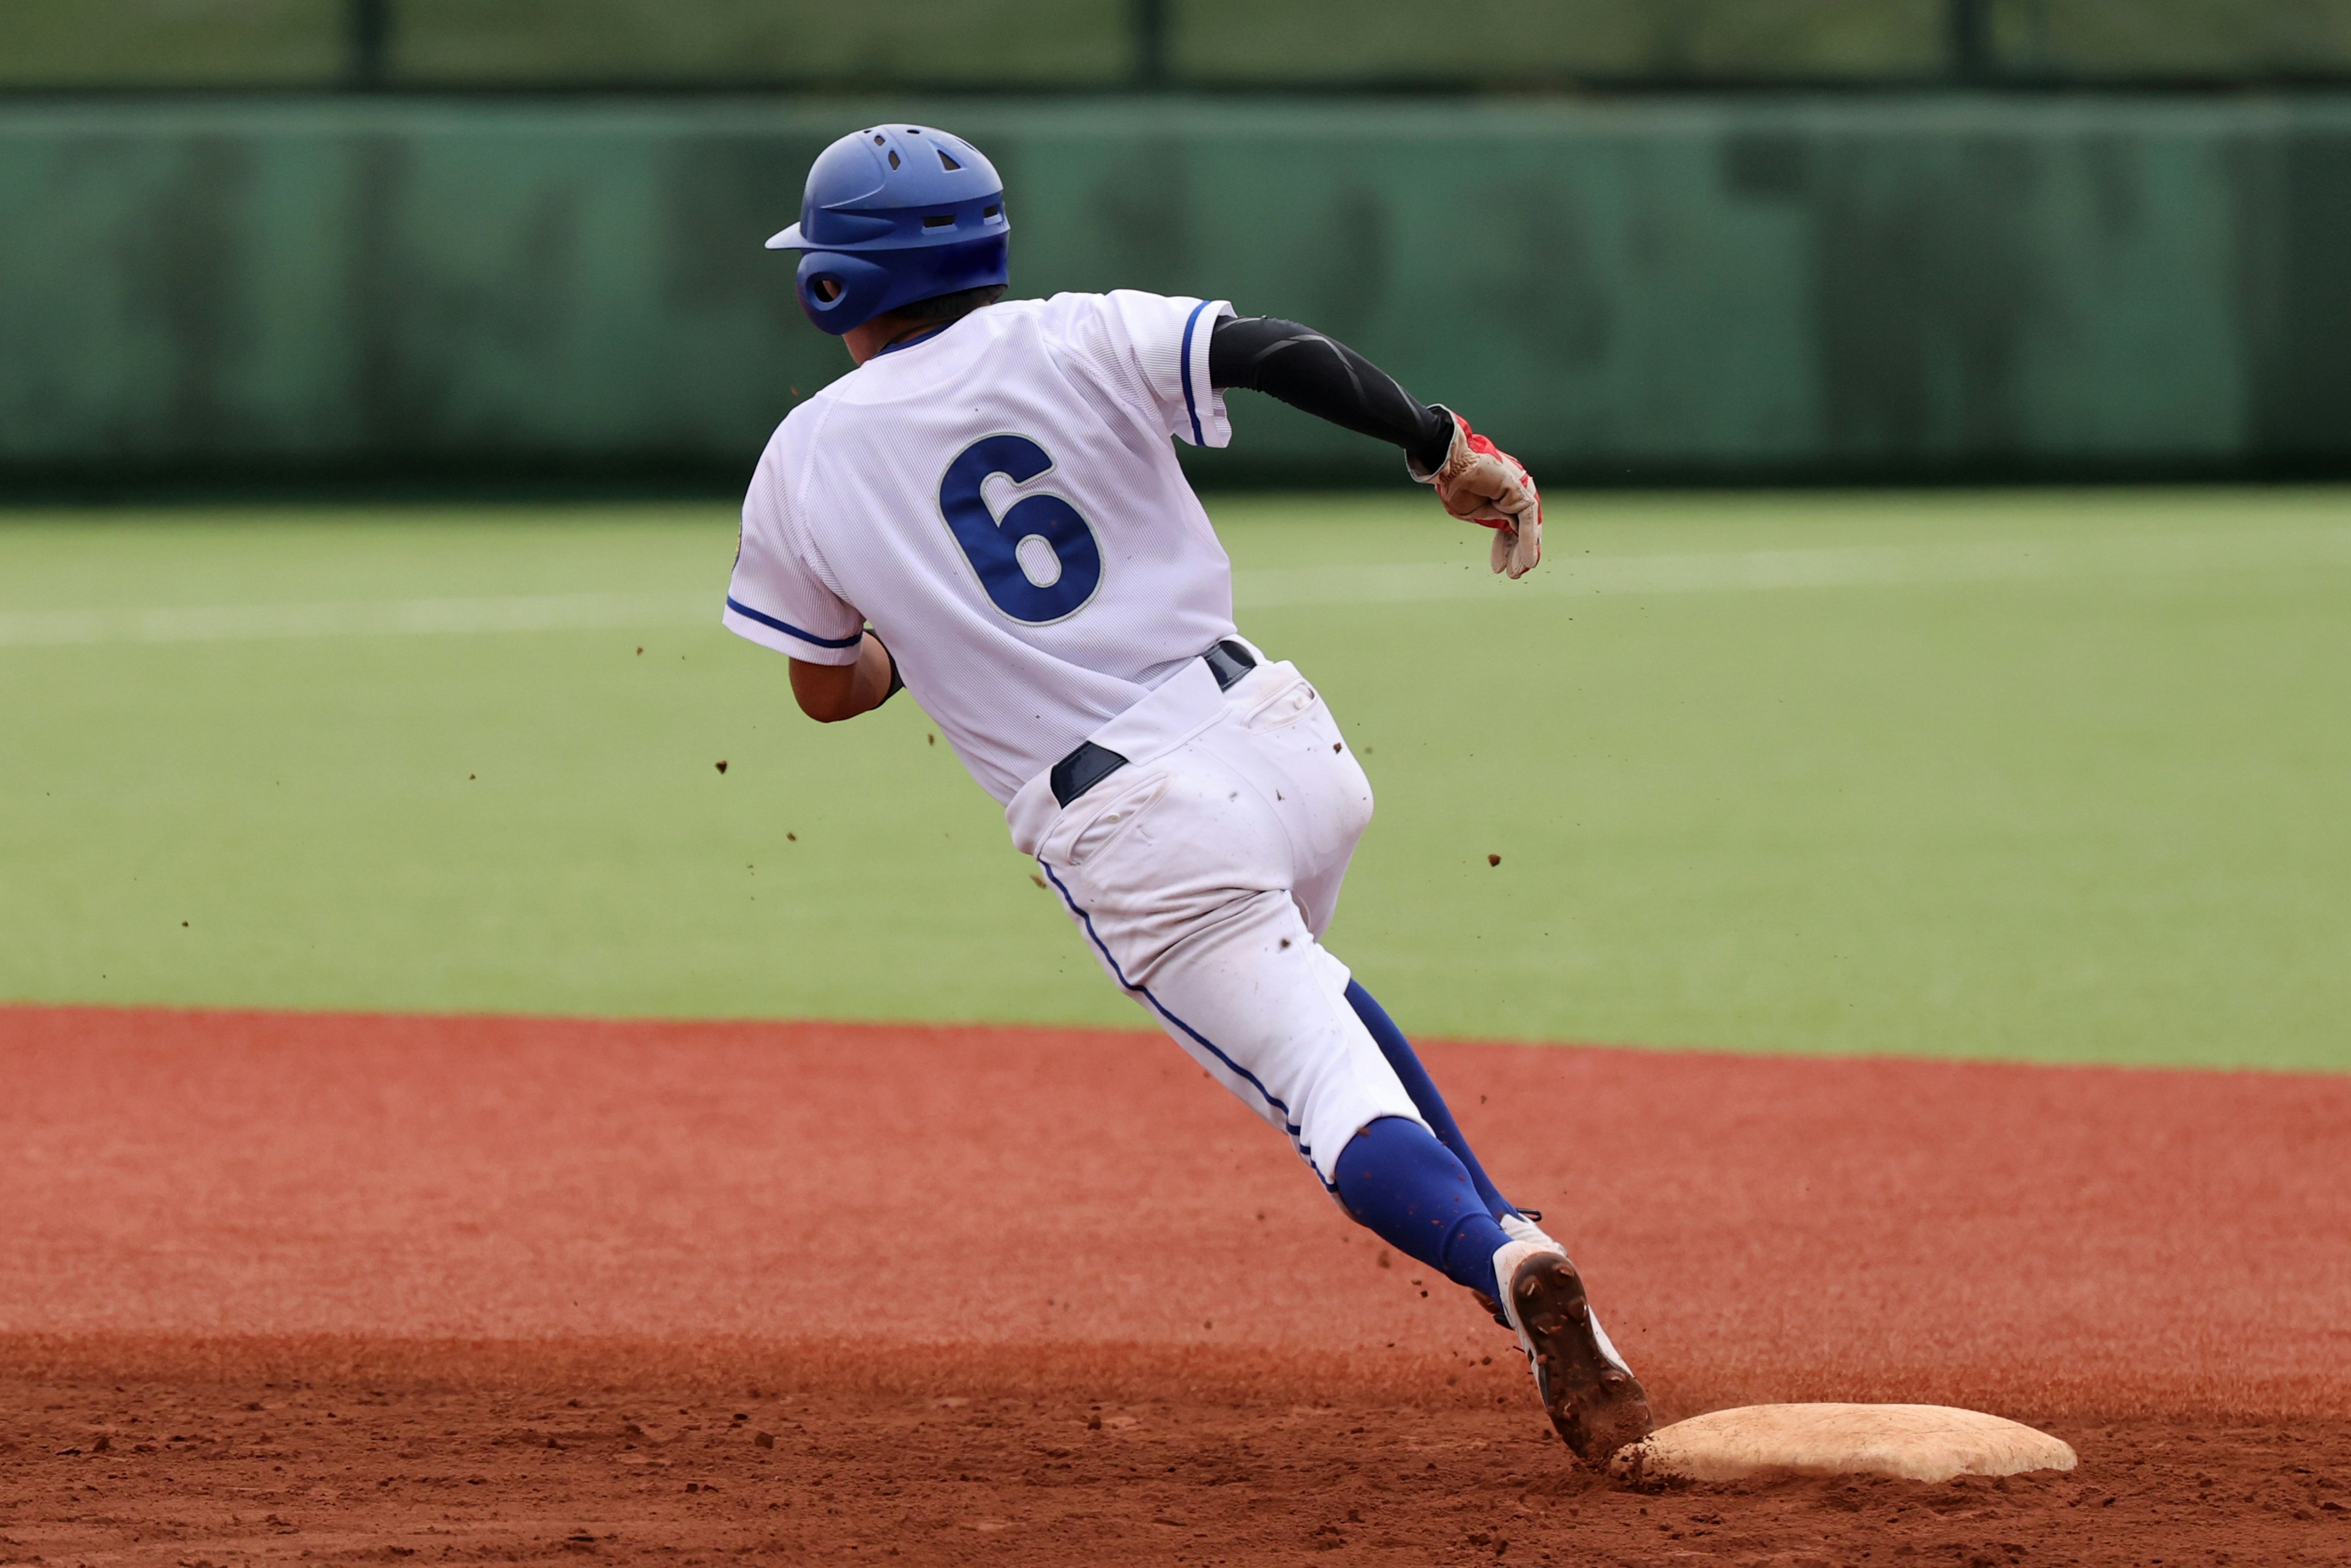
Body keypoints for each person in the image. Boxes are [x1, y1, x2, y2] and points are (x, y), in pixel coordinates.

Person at [722, 124, 1653, 1462]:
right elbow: (1270, 351)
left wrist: (908, 644)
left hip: (1141, 828)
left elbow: (826, 687)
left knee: (1324, 1094)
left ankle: (1500, 1263)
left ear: (835, 286)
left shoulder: (802, 460)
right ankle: (1536, 1281)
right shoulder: (1077, 332)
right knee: (1318, 1011)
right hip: (1279, 736)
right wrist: (1443, 446)